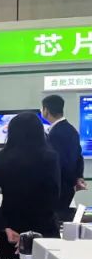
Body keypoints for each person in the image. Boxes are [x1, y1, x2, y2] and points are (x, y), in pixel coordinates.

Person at [0, 112, 61, 259]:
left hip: (11, 230)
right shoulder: (51, 158)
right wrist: (32, 235)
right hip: (44, 231)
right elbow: (53, 198)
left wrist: (3, 227)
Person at [42, 94, 87, 223]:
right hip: (68, 186)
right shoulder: (71, 130)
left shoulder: (55, 133)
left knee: (55, 222)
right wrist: (78, 177)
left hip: (58, 187)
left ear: (46, 110)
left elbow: (58, 162)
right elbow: (78, 156)